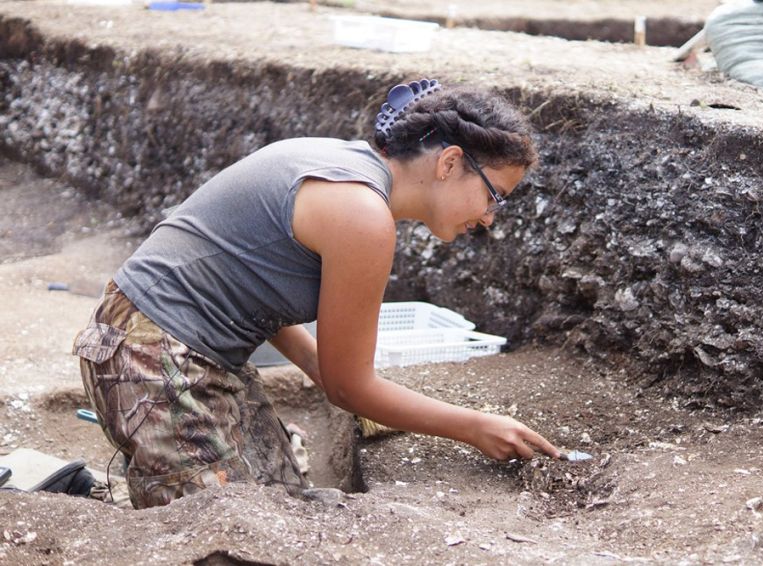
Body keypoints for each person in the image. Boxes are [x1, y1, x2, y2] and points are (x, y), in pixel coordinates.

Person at [73, 78, 560, 510]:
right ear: (451, 162)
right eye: (494, 195)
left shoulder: (344, 166)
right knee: (230, 533)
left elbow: (254, 277)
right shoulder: (362, 215)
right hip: (151, 361)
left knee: (284, 505)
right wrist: (474, 426)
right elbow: (350, 388)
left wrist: (323, 370)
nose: (489, 218)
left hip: (159, 340)